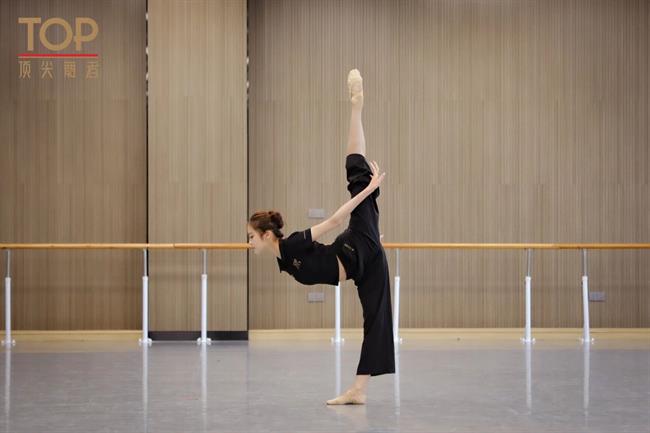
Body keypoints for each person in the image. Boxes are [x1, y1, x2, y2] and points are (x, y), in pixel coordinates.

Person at [247, 69, 395, 405]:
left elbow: (335, 219)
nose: (249, 243)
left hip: (356, 246)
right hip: (363, 264)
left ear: (267, 235)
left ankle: (356, 106)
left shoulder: (292, 244)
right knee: (376, 320)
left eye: (251, 237)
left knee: (358, 177)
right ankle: (358, 391)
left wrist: (371, 191)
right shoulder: (284, 262)